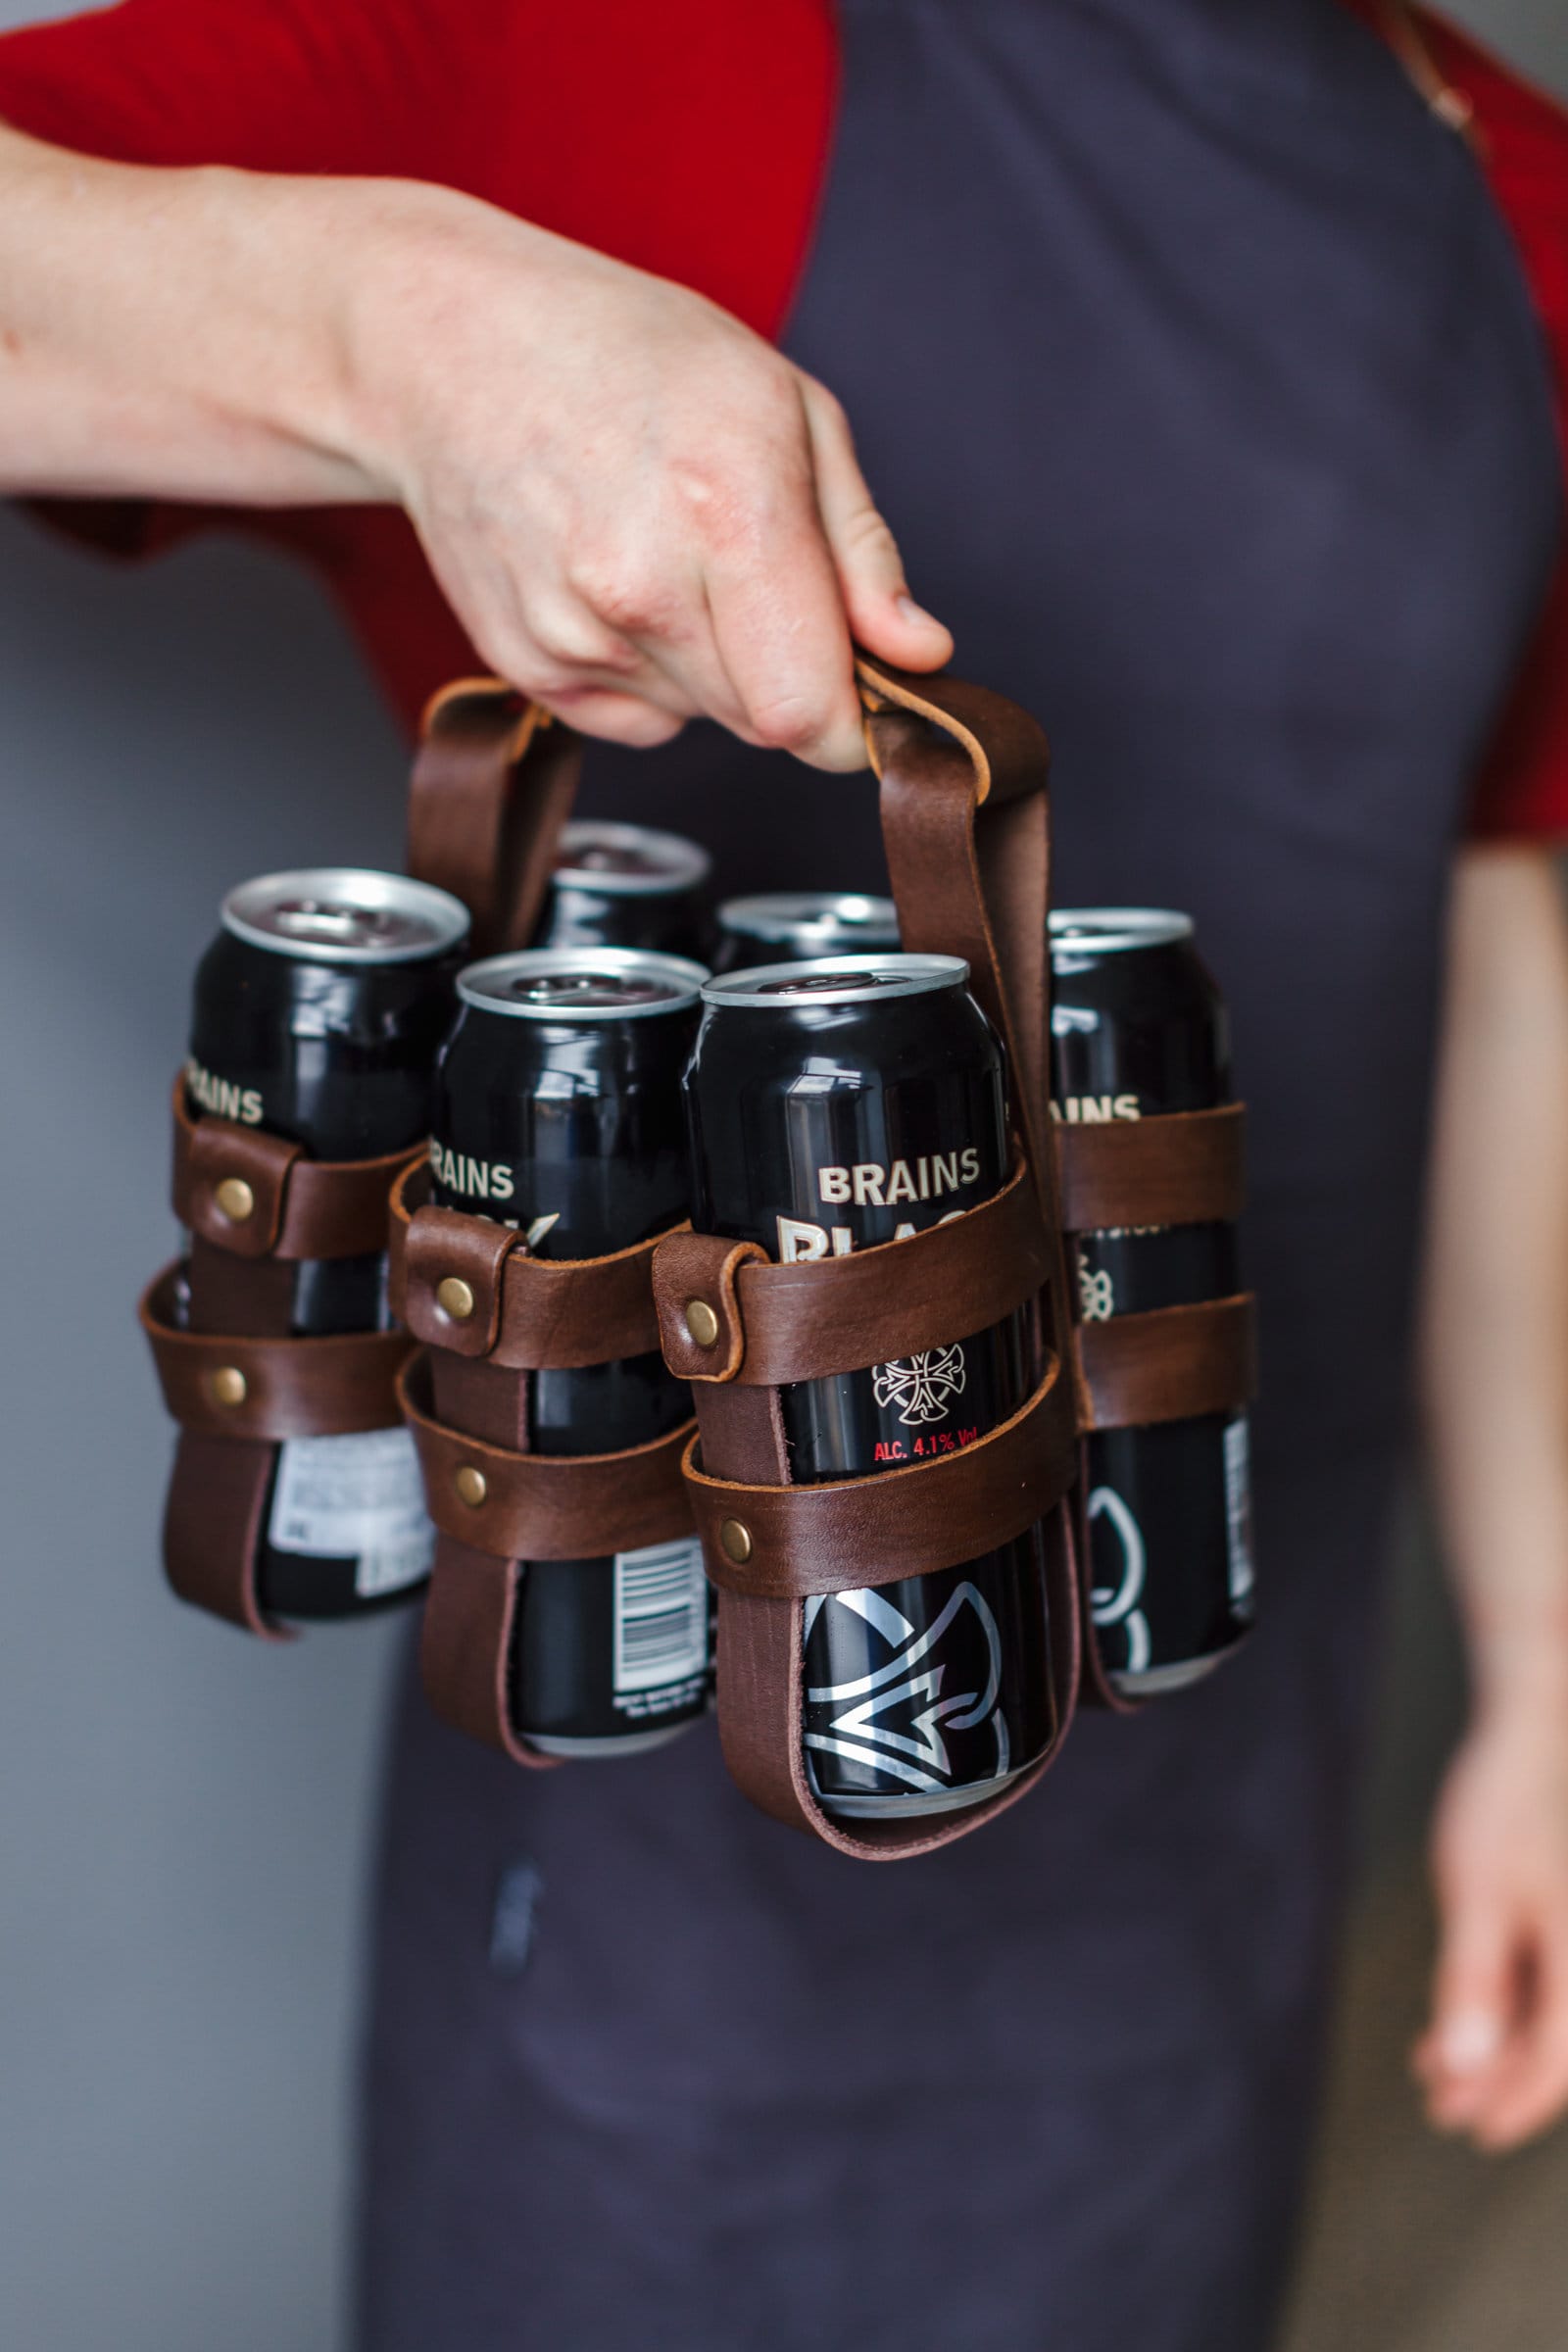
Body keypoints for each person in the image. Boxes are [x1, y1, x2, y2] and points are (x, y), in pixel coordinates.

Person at [2, 2, 1567, 2344]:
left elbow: (1479, 920)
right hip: (665, 1881)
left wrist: (1544, 1663)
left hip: (1221, 1785)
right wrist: (406, 326)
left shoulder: (1518, 197)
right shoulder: (634, 38)